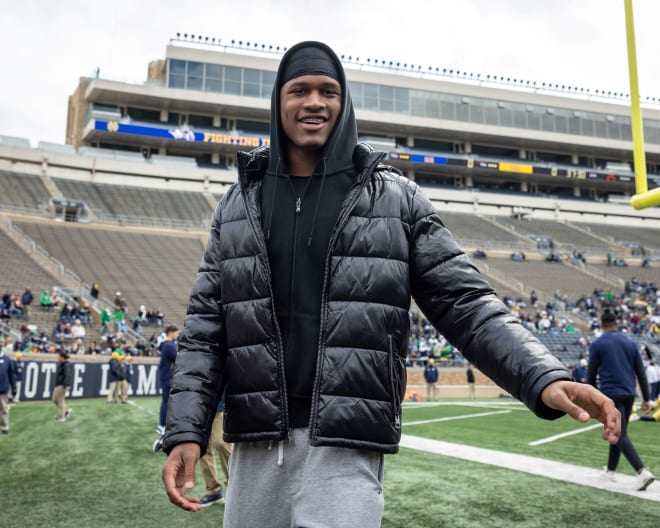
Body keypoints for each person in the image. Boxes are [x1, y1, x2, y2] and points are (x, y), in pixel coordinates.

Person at [161, 41, 620, 526]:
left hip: (345, 443)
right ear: (279, 102)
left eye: (328, 91)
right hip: (256, 443)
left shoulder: (397, 199)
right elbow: (205, 331)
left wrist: (543, 375)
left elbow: (465, 303)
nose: (314, 102)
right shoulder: (237, 204)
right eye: (299, 90)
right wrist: (186, 430)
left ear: (344, 102)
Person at [587, 309, 655, 491]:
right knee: (618, 431)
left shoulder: (597, 344)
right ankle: (610, 470)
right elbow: (640, 372)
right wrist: (647, 398)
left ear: (601, 326)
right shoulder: (630, 342)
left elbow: (591, 375)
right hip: (628, 394)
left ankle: (642, 471)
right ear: (617, 324)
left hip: (610, 395)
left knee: (618, 433)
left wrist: (591, 400)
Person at [198, 397, 233, 507]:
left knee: (222, 443)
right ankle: (213, 491)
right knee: (203, 446)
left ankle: (235, 487)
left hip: (219, 403)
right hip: (198, 404)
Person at [157, 325, 179, 436]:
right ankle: (162, 426)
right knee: (167, 402)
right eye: (176, 333)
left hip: (166, 376)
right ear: (170, 332)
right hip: (168, 377)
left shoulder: (166, 344)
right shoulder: (169, 345)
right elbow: (179, 358)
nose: (177, 335)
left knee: (167, 401)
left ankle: (163, 425)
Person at [0, 346, 17, 434]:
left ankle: (5, 427)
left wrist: (14, 386)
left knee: (4, 409)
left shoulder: (7, 360)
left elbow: (12, 374)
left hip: (2, 388)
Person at [53, 350, 73, 422]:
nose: (57, 358)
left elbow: (67, 375)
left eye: (59, 357)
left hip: (62, 385)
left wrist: (65, 385)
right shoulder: (62, 364)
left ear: (62, 357)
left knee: (60, 401)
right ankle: (66, 411)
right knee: (54, 400)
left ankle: (62, 417)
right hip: (58, 384)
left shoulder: (66, 365)